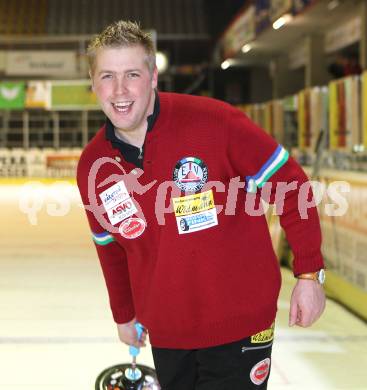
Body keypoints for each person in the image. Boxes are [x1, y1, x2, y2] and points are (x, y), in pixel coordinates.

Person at [77, 20, 326, 390]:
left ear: (153, 76)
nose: (119, 90)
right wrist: (125, 314)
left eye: (132, 74)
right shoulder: (94, 166)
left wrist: (309, 273)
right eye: (107, 76)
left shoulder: (216, 122)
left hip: (240, 323)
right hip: (167, 330)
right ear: (94, 84)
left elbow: (291, 187)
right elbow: (110, 249)